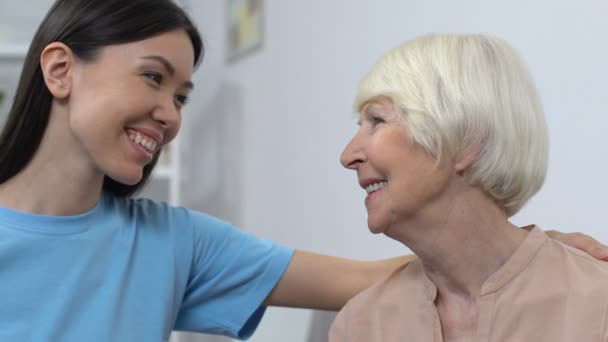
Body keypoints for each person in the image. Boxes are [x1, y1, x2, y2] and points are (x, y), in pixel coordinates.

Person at [0, 1, 603, 341]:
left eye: (182, 97)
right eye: (153, 77)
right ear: (60, 71)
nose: (168, 115)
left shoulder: (172, 242)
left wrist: (532, 254)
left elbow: (374, 278)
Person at [329, 33, 608, 342]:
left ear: (465, 141)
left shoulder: (597, 304)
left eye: (377, 120)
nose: (348, 156)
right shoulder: (360, 325)